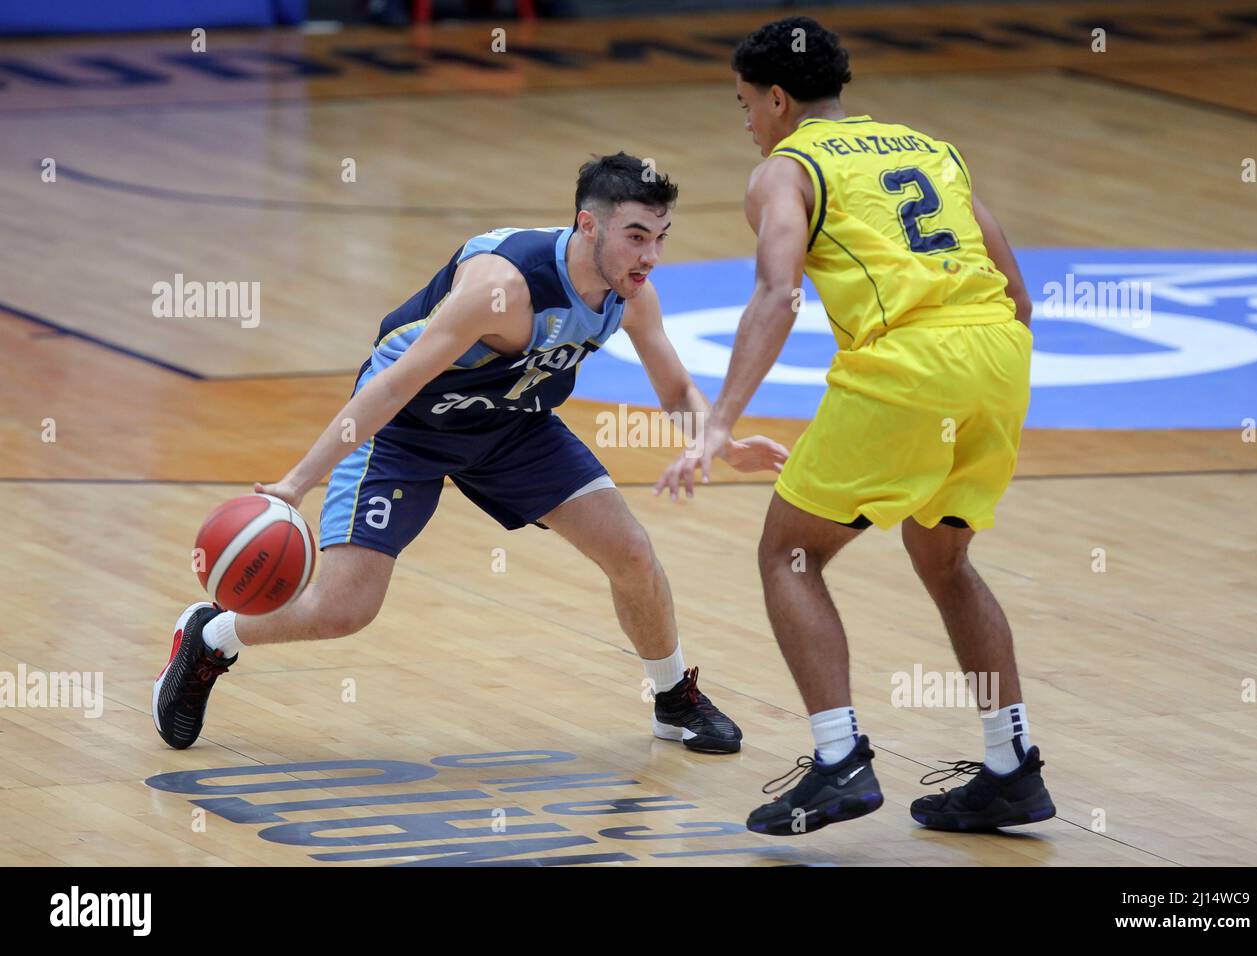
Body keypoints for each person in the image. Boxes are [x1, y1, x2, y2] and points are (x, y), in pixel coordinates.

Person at [154, 152, 787, 755]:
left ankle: (673, 697)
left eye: (661, 237)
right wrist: (296, 484)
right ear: (587, 224)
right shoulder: (500, 287)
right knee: (344, 609)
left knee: (631, 552)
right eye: (636, 236)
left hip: (513, 425)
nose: (650, 256)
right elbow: (396, 383)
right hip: (406, 427)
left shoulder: (631, 293)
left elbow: (675, 387)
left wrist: (721, 442)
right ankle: (213, 636)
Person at [657, 17, 1054, 835]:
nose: (745, 123)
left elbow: (776, 293)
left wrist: (716, 424)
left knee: (788, 553)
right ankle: (1012, 766)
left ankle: (839, 761)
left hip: (911, 368)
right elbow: (1015, 289)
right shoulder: (928, 147)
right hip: (1000, 356)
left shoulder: (785, 169)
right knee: (942, 555)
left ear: (777, 98)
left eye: (744, 105)